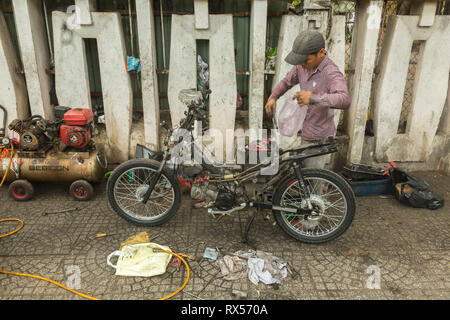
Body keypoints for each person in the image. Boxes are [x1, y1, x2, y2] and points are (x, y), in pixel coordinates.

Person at [265, 30, 351, 169]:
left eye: (306, 60)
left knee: (313, 181)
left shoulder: (331, 72)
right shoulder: (301, 67)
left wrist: (313, 98)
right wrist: (273, 97)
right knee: (302, 176)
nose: (302, 64)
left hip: (320, 137)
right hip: (306, 132)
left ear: (321, 52)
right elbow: (287, 82)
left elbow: (344, 99)